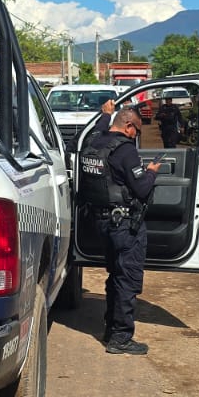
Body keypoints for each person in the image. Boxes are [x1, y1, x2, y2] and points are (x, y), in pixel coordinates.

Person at [77, 108, 163, 355]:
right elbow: (141, 190)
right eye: (136, 130)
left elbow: (95, 130)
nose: (135, 136)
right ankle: (121, 338)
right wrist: (151, 172)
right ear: (128, 126)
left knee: (115, 275)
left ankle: (111, 329)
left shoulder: (93, 143)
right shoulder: (125, 150)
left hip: (100, 222)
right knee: (127, 279)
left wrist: (104, 115)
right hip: (124, 225)